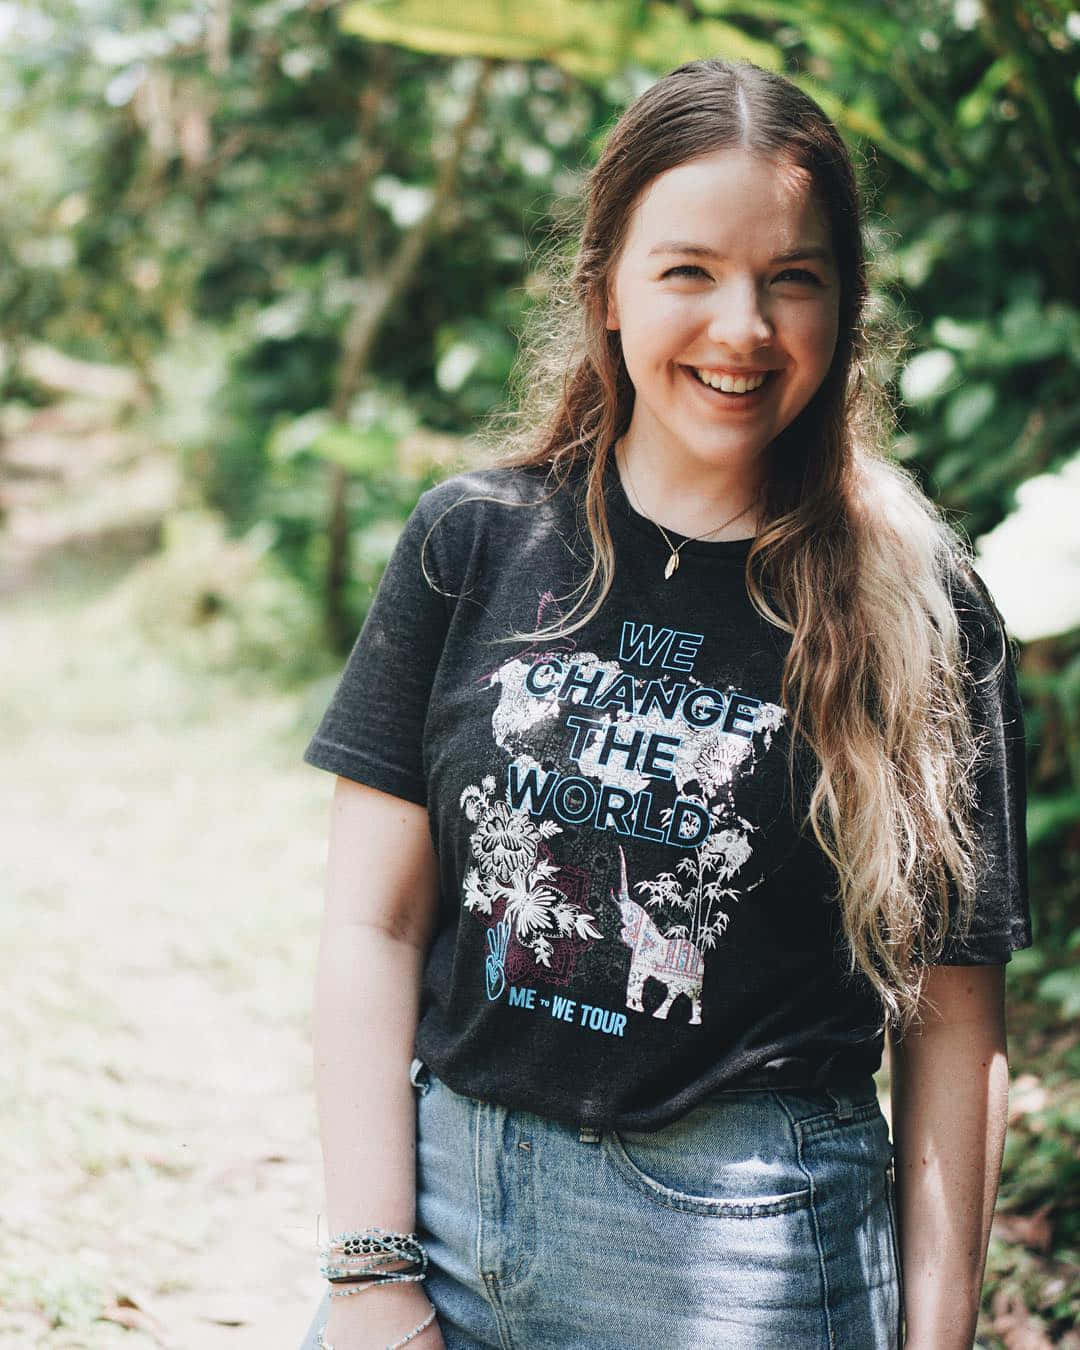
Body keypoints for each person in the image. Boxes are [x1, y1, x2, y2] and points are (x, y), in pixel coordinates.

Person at [299, 57, 1031, 1350]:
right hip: (449, 1210)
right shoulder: (472, 543)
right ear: (607, 291)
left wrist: (940, 1339)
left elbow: (955, 1017)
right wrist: (372, 1272)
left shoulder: (920, 606)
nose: (741, 326)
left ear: (844, 306)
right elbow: (373, 919)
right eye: (689, 269)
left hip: (747, 1254)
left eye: (792, 276)